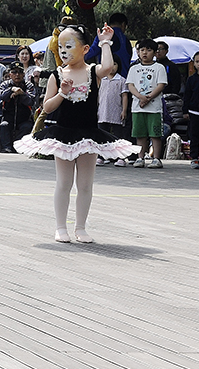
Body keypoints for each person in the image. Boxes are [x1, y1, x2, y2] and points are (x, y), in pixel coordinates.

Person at [17, 24, 136, 243]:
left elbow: (108, 66)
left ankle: (80, 227)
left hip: (89, 136)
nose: (63, 51)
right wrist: (63, 93)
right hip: (63, 135)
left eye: (69, 46)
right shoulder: (57, 74)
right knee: (64, 183)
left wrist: (106, 42)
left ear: (84, 49)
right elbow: (48, 107)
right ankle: (60, 227)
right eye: (60, 46)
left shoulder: (93, 71)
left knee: (85, 184)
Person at [126, 39, 169, 168]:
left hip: (154, 108)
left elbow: (161, 85)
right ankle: (140, 157)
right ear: (138, 52)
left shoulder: (159, 68)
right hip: (138, 107)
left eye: (149, 50)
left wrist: (148, 98)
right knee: (140, 134)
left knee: (155, 134)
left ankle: (156, 158)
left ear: (155, 53)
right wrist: (140, 97)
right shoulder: (134, 68)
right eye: (142, 50)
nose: (145, 53)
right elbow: (130, 85)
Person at [0, 65, 34, 153]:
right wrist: (11, 89)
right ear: (10, 74)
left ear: (23, 74)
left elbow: (31, 101)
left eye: (20, 72)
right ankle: (6, 147)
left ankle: (19, 147)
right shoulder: (5, 84)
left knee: (27, 127)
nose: (17, 75)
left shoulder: (28, 85)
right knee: (4, 125)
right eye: (14, 72)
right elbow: (1, 96)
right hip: (8, 117)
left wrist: (21, 93)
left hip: (24, 118)